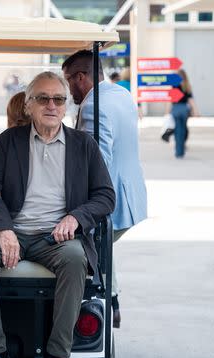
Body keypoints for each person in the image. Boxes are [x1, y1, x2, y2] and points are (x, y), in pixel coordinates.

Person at [0, 71, 115, 358]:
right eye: (43, 99)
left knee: (76, 260)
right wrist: (4, 230)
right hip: (14, 230)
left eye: (58, 99)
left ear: (66, 107)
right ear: (29, 105)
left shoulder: (83, 145)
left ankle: (57, 357)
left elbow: (105, 196)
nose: (51, 105)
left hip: (57, 238)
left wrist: (76, 218)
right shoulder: (9, 142)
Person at [62, 50, 147, 329]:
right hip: (132, 195)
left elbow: (97, 163)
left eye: (68, 81)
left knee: (82, 245)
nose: (68, 89)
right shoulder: (121, 94)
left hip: (113, 202)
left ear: (81, 77)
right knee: (100, 248)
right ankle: (113, 302)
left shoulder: (91, 106)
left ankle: (103, 304)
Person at [167, 69, 198, 159]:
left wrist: (167, 111)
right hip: (184, 109)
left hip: (176, 109)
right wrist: (196, 111)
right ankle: (182, 148)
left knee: (177, 130)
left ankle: (178, 151)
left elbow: (171, 100)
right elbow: (190, 100)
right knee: (183, 129)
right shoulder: (187, 86)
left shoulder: (174, 86)